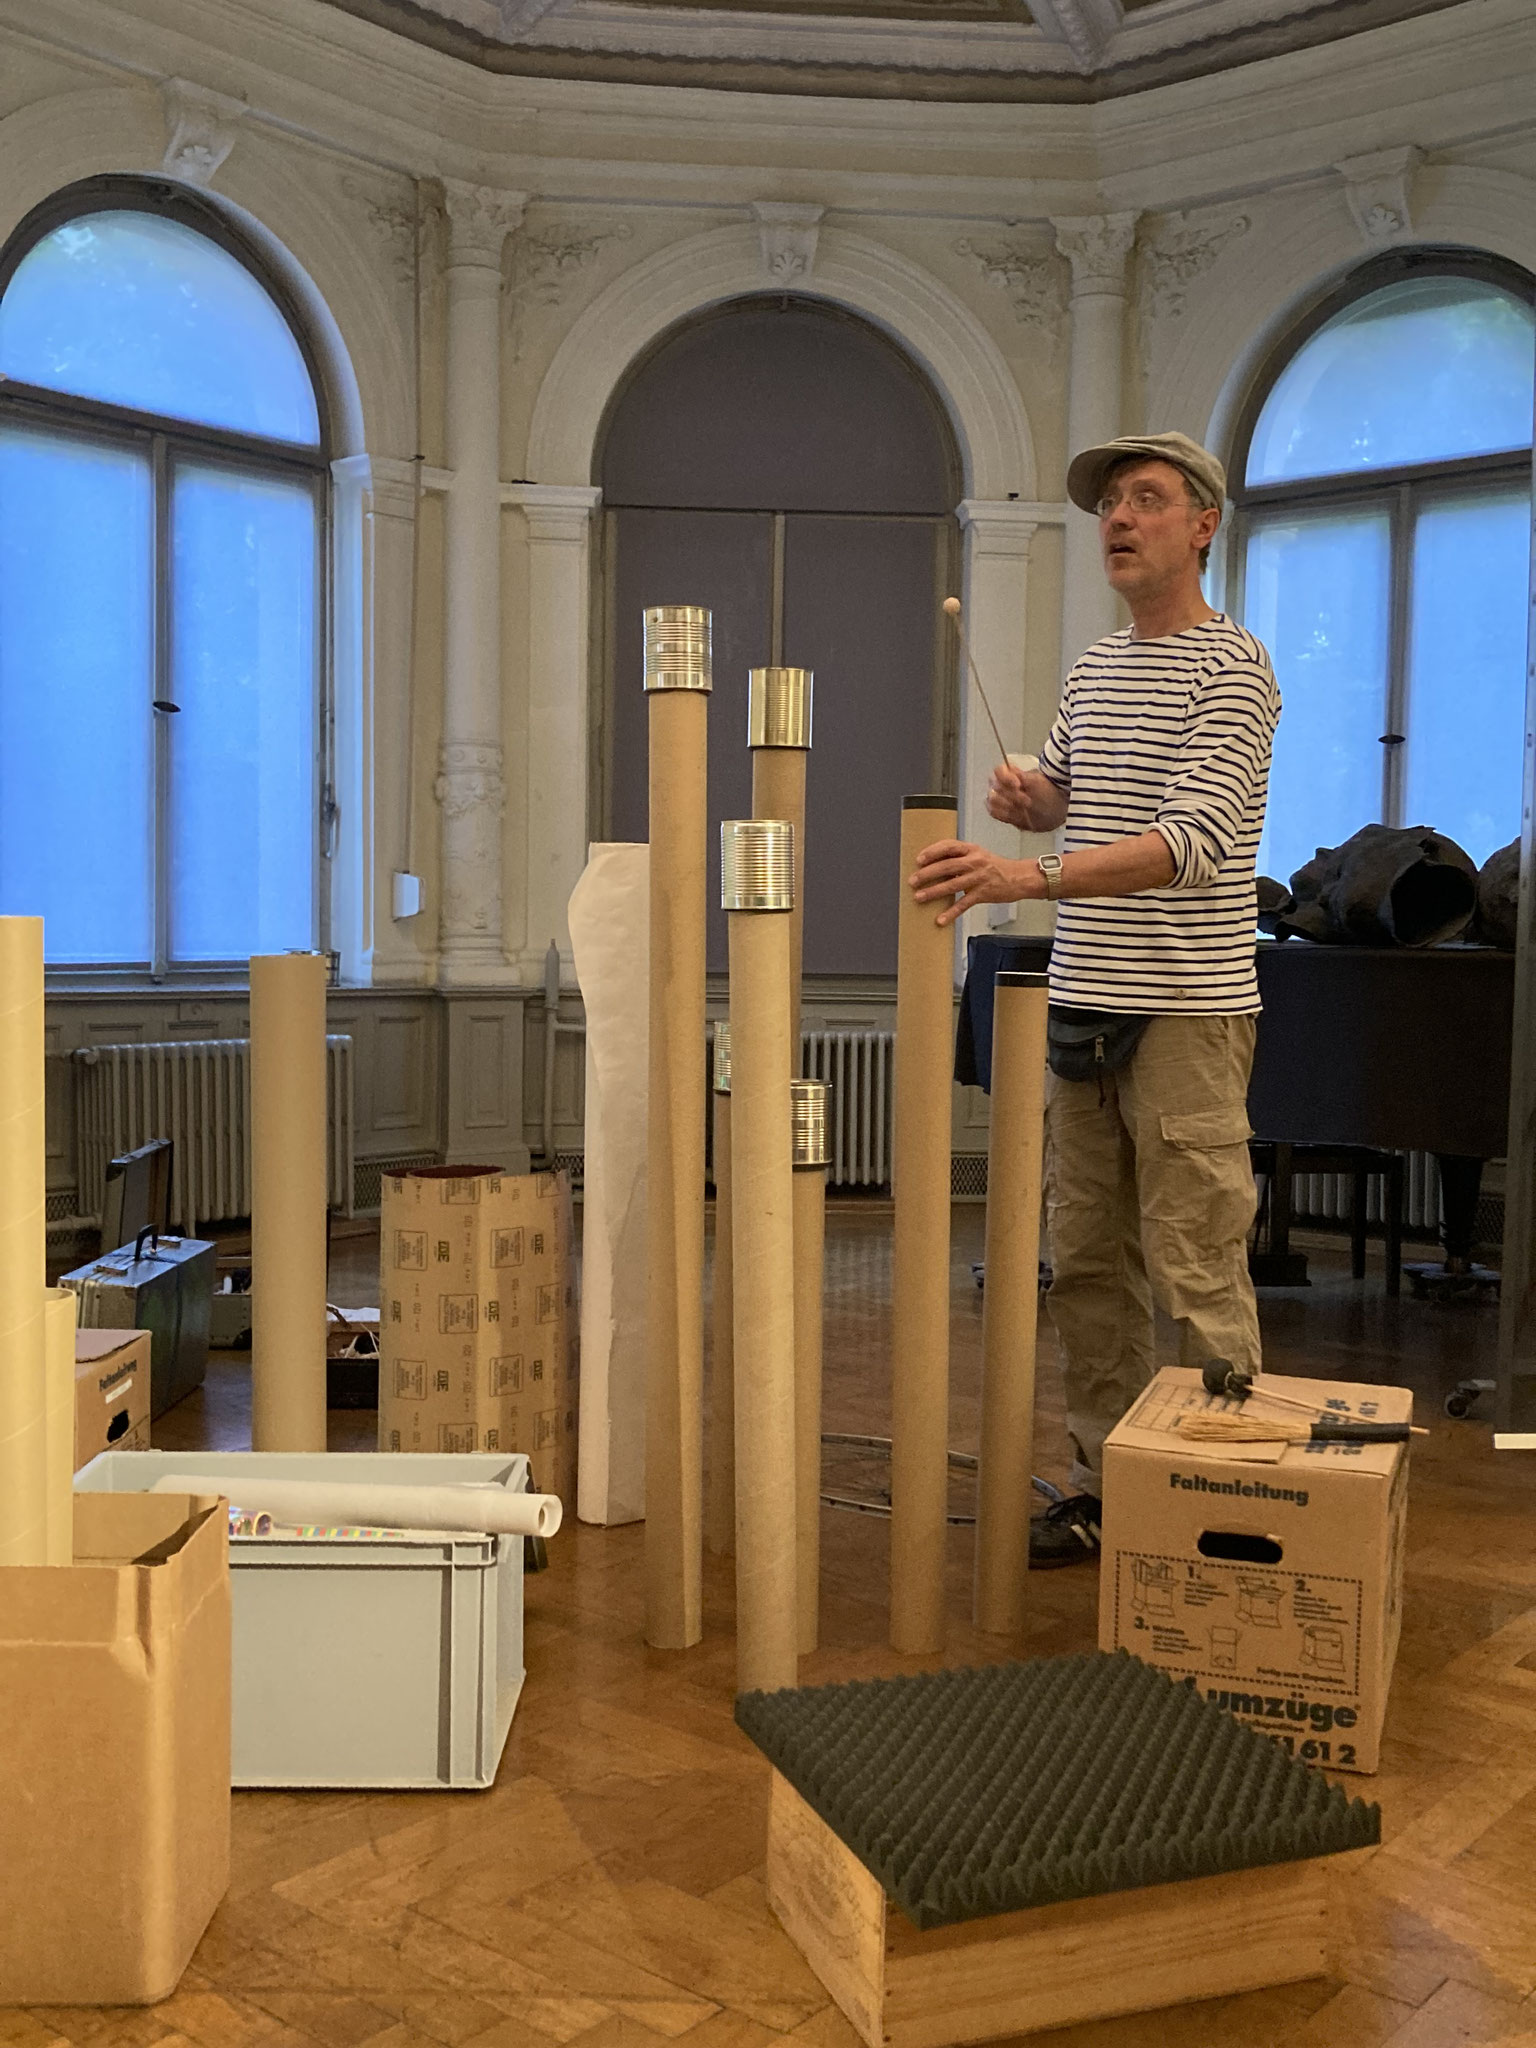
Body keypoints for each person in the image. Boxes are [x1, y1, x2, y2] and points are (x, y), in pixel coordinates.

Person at [910, 431, 1281, 1566]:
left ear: (1203, 525)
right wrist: (1032, 799)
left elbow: (1189, 845)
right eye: (1111, 502)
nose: (1119, 518)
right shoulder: (1094, 669)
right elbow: (1069, 795)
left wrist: (1027, 873)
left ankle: (1226, 1496)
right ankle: (1106, 1486)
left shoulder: (1235, 668)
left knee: (1196, 1264)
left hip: (1187, 1014)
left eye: (1146, 498)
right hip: (1084, 1001)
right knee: (1085, 1266)